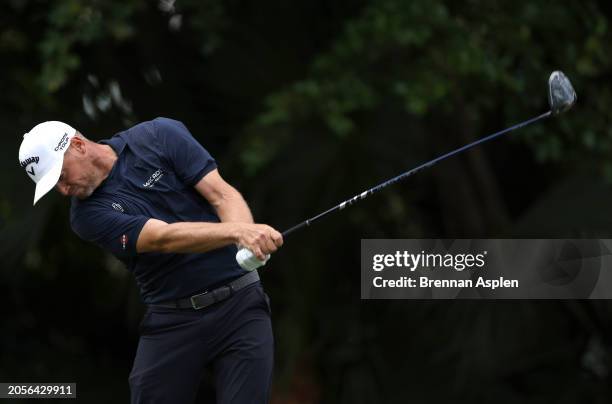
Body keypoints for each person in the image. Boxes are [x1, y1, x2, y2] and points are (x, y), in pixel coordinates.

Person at [18, 118, 283, 403]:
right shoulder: (85, 217)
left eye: (60, 175)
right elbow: (162, 237)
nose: (63, 189)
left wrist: (245, 245)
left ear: (79, 146)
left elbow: (222, 195)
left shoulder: (159, 136)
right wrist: (238, 232)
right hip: (174, 320)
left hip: (241, 304)